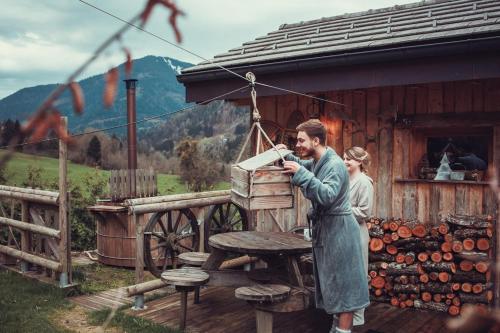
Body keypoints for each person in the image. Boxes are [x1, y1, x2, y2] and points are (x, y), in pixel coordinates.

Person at [277, 119, 369, 333]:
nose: (297, 144)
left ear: (316, 140)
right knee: (334, 285)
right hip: (329, 232)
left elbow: (327, 195)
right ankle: (336, 329)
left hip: (341, 232)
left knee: (345, 287)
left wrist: (300, 172)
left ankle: (342, 332)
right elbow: (305, 167)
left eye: (301, 140)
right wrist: (284, 155)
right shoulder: (320, 161)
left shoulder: (335, 165)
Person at [343, 146, 374, 326]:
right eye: (344, 158)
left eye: (350, 159)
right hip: (343, 232)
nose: (345, 161)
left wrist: (339, 209)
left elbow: (364, 212)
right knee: (345, 274)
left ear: (360, 162)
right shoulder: (345, 179)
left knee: (358, 274)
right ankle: (345, 311)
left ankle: (357, 316)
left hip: (357, 232)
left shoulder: (364, 182)